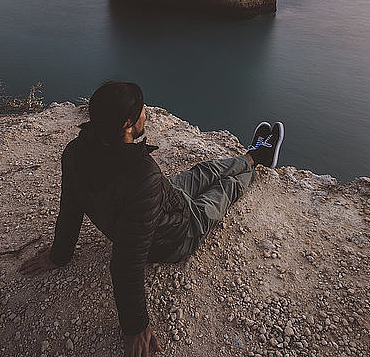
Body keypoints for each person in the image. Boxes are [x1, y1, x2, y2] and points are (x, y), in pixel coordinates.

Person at [20, 81, 284, 357]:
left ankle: (252, 156)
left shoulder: (75, 152)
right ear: (127, 124)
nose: (146, 113)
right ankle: (258, 164)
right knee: (224, 190)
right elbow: (126, 262)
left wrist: (60, 255)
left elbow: (71, 207)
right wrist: (135, 328)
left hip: (162, 201)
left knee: (203, 171)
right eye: (142, 110)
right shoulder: (141, 175)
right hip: (179, 233)